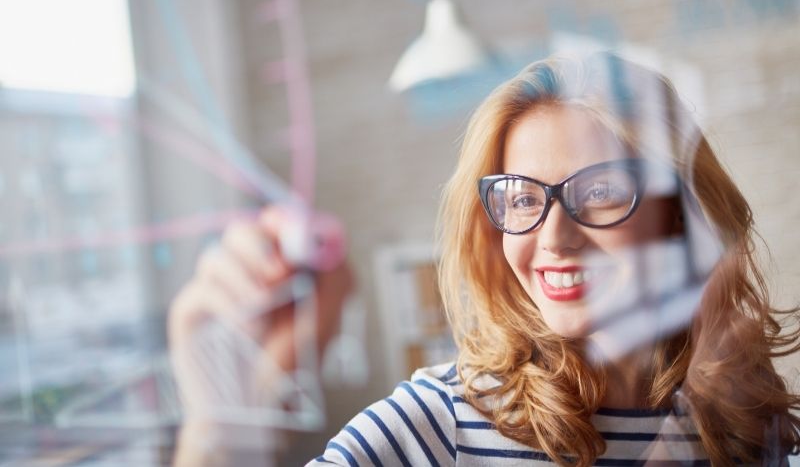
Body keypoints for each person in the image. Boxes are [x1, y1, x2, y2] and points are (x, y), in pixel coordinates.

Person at [170, 53, 800, 466]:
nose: (554, 237)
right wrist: (215, 424)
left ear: (680, 215)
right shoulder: (441, 422)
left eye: (600, 192)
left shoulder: (746, 427)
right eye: (522, 197)